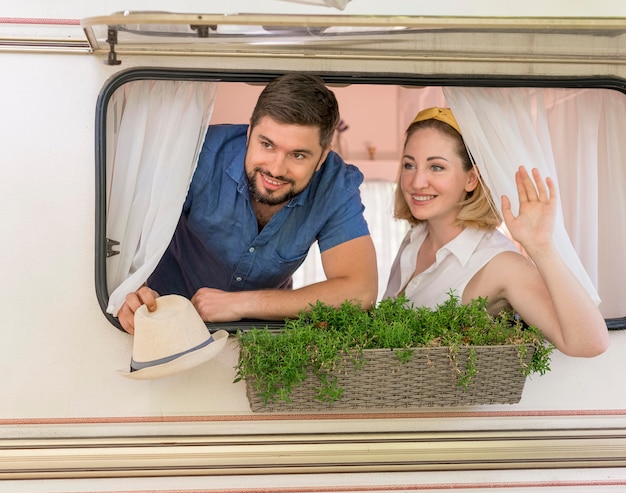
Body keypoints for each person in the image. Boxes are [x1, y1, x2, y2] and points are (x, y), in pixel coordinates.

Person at [118, 73, 378, 334]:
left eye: (298, 155)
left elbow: (360, 291)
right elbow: (127, 239)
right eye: (267, 145)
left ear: (322, 157)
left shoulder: (335, 185)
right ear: (250, 130)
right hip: (162, 323)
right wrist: (131, 291)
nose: (276, 169)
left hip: (262, 341)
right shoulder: (198, 153)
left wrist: (240, 304)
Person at [384, 107, 609, 357]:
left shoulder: (500, 263)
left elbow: (591, 342)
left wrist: (541, 247)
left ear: (471, 179)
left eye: (436, 167)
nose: (416, 182)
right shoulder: (414, 238)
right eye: (409, 165)